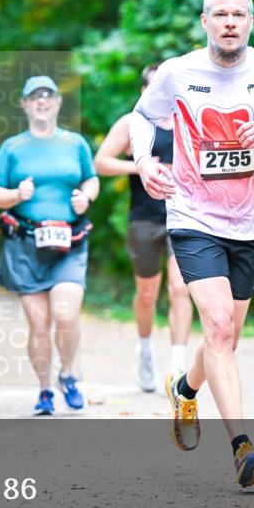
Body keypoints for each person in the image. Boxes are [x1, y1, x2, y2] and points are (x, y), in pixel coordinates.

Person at [130, 0, 254, 487]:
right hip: (193, 216)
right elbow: (141, 117)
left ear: (251, 22)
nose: (230, 22)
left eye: (239, 14)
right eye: (221, 14)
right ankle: (243, 448)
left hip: (251, 223)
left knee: (227, 336)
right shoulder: (177, 73)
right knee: (216, 327)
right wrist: (145, 161)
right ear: (205, 22)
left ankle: (186, 389)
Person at [0, 76, 99, 416]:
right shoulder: (11, 148)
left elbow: (90, 179)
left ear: (57, 104)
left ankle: (67, 374)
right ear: (24, 104)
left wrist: (86, 198)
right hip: (26, 244)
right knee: (39, 326)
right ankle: (44, 391)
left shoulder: (75, 143)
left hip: (69, 241)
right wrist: (16, 196)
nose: (42, 102)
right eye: (34, 97)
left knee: (65, 315)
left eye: (48, 96)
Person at [94, 64, 194, 393]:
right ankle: (145, 349)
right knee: (147, 292)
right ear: (143, 91)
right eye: (153, 86)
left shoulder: (188, 123)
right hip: (144, 216)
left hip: (184, 216)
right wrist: (141, 166)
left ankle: (178, 364)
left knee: (181, 289)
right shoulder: (132, 123)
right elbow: (101, 162)